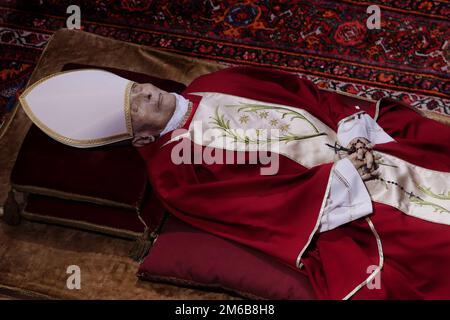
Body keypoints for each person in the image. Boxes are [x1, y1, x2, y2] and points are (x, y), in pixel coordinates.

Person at [20, 66, 450, 299]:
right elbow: (265, 207)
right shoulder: (176, 171)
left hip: (365, 149)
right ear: (142, 137)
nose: (146, 92)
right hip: (351, 205)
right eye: (135, 106)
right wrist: (346, 173)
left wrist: (353, 134)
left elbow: (305, 95)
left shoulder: (214, 83)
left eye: (135, 87)